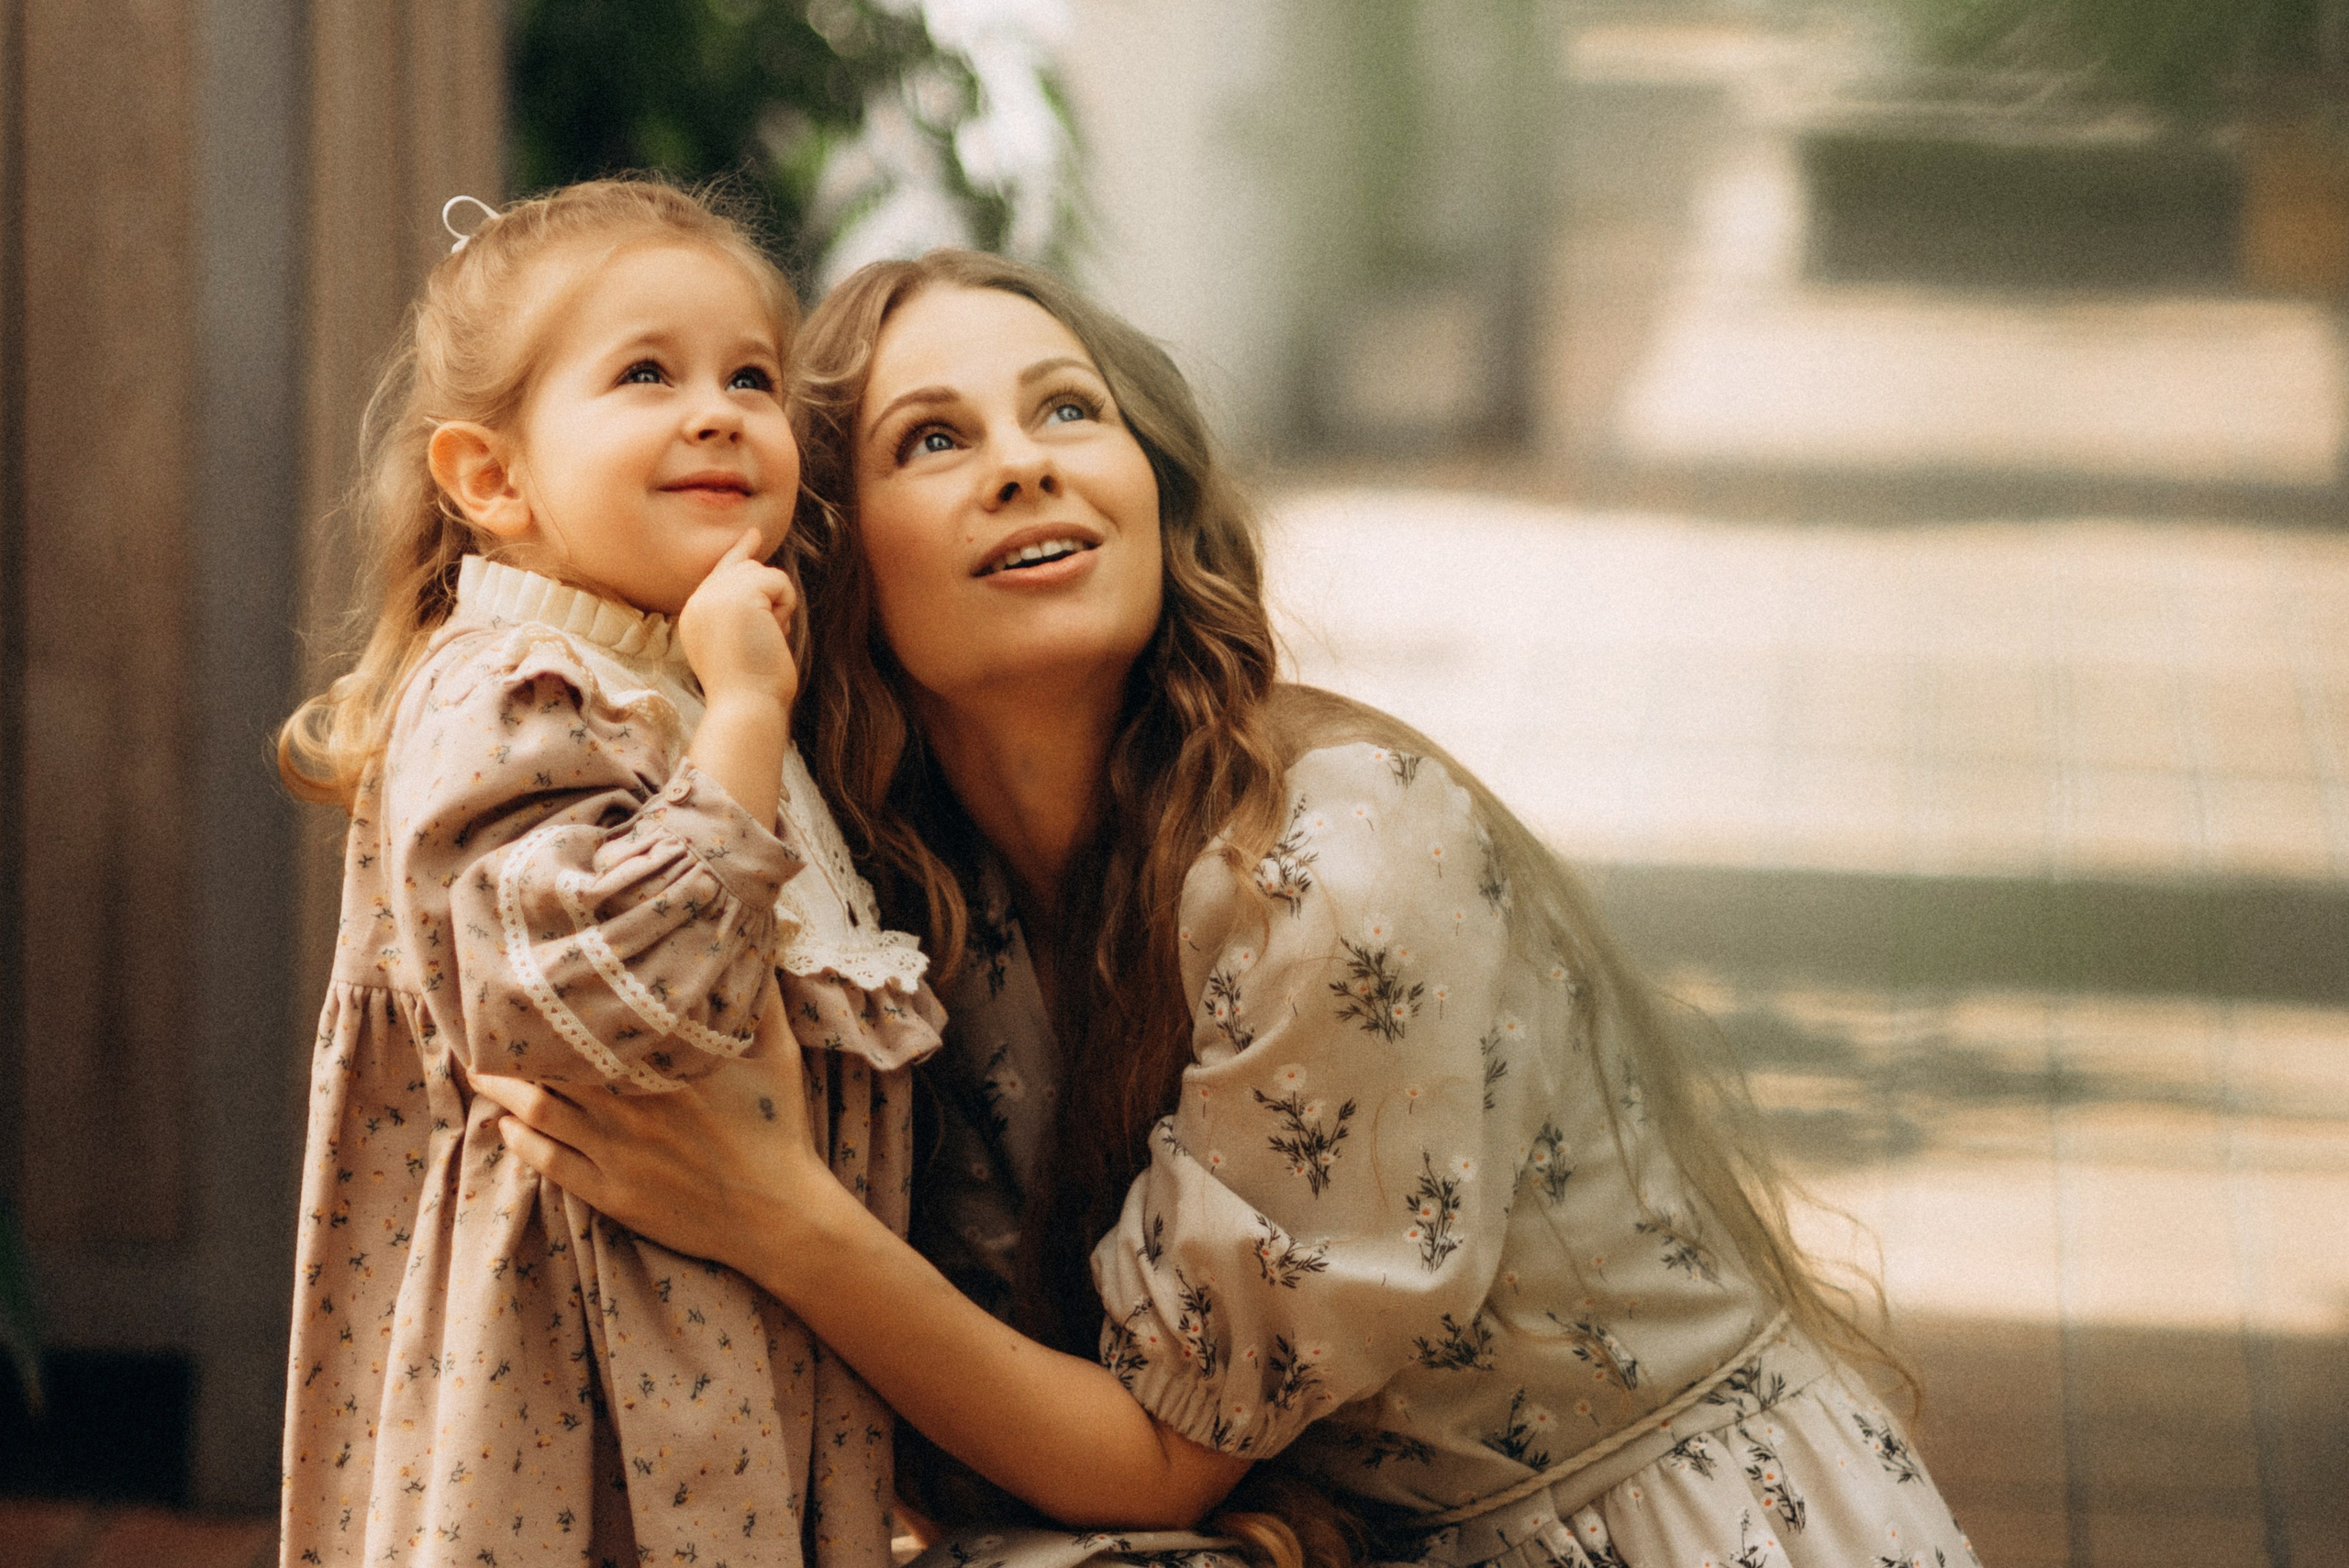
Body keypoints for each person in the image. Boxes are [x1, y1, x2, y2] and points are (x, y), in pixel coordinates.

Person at [477, 250, 1982, 1568]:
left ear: (1156, 488)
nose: (1024, 465)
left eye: (1069, 411)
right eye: (933, 439)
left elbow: (1154, 1457)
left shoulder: (1335, 858)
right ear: (827, 564)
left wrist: (779, 1215)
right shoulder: (899, 905)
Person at [274, 180, 944, 1568]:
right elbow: (610, 998)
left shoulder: (668, 674)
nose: (719, 412)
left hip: (720, 1377)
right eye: (648, 373)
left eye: (750, 377)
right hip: (576, 1408)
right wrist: (745, 713)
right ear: (493, 479)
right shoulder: (512, 690)